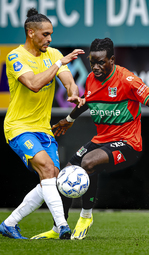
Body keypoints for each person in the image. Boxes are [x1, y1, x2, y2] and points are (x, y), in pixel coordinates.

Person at [31, 38, 149, 240]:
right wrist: (69, 119)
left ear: (112, 60)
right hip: (102, 139)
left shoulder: (127, 80)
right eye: (92, 62)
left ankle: (85, 216)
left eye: (101, 62)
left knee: (88, 163)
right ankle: (59, 227)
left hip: (128, 143)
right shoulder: (92, 78)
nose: (96, 67)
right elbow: (87, 101)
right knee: (66, 173)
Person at [0, 8, 84, 239]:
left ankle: (9, 223)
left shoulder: (54, 54)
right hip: (19, 126)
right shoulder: (15, 56)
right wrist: (59, 64)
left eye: (51, 35)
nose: (49, 39)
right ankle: (62, 226)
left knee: (52, 178)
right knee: (47, 169)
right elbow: (34, 83)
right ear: (31, 33)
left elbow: (69, 81)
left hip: (43, 129)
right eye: (45, 35)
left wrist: (73, 92)